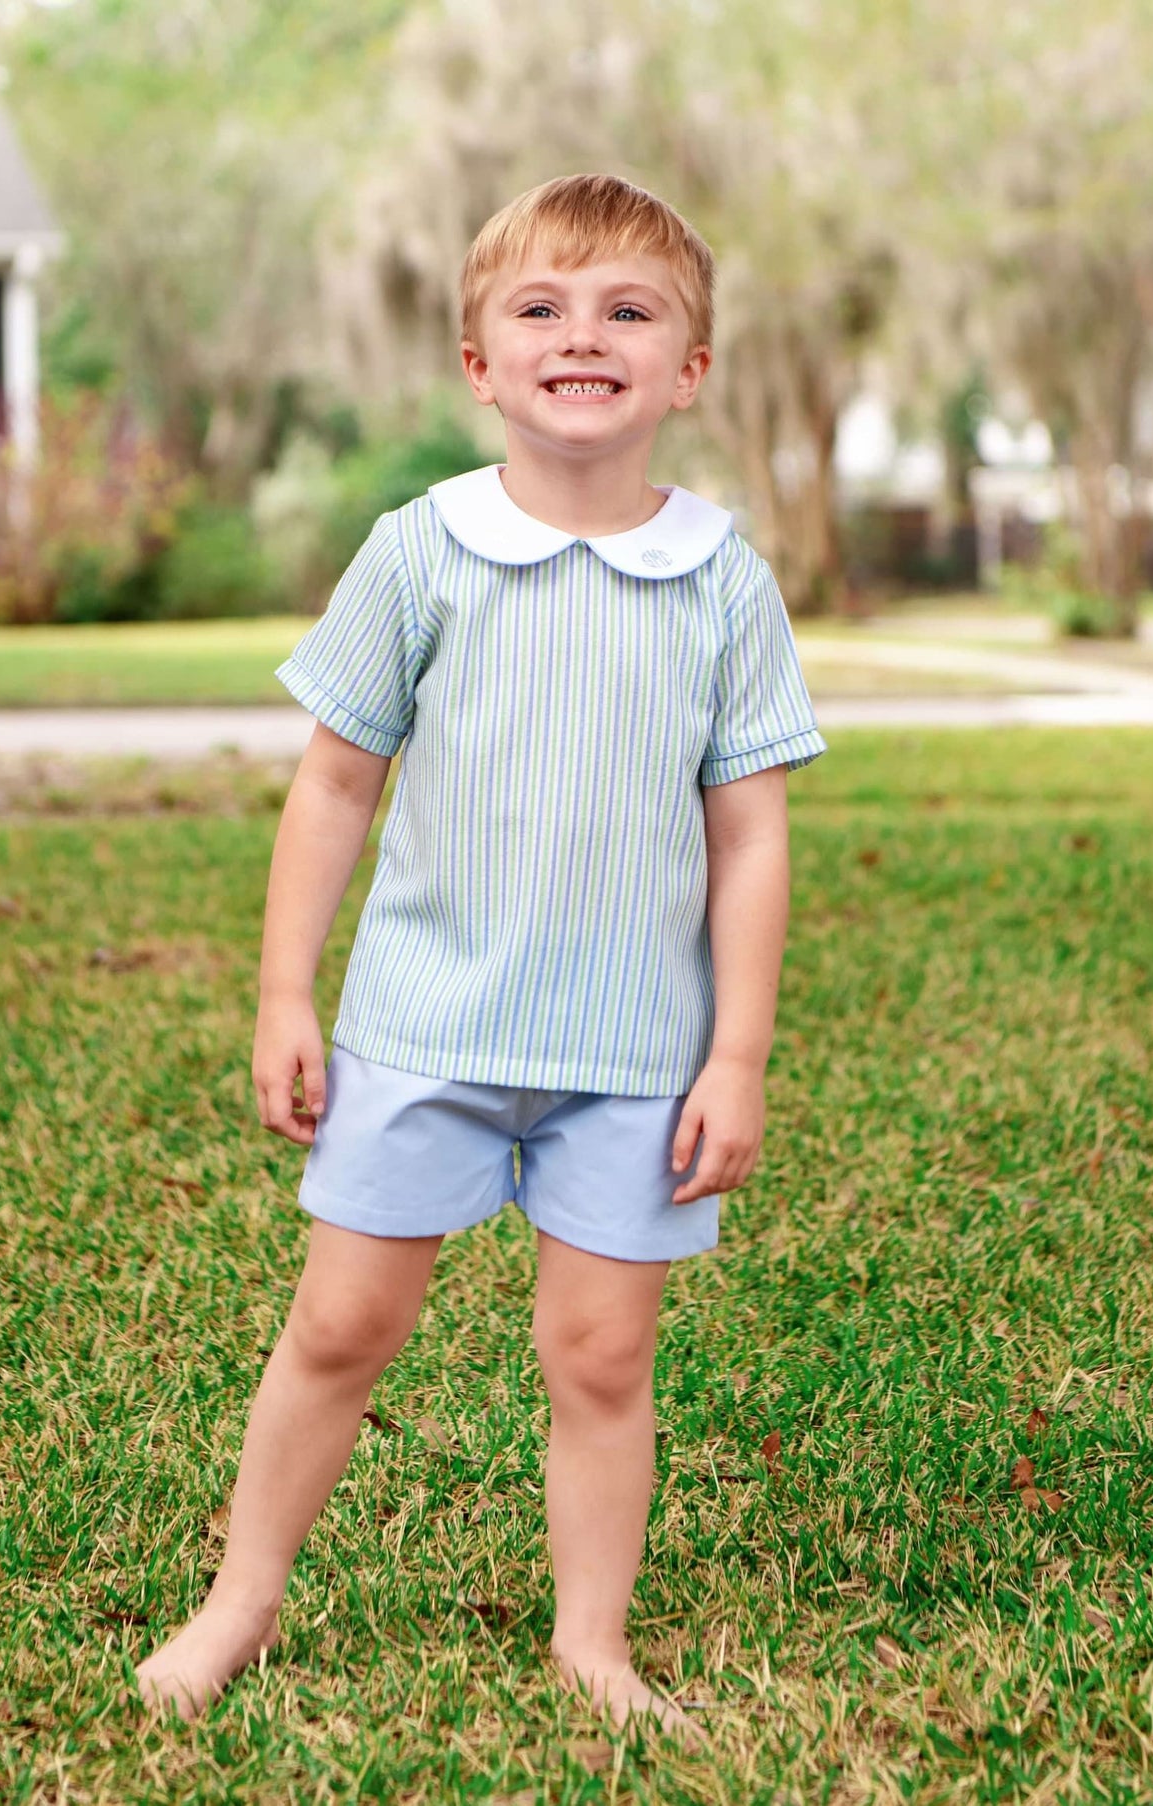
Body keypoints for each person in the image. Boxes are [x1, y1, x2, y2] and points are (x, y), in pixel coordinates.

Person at [134, 172, 826, 1740]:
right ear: (478, 362)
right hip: (421, 1029)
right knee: (340, 1325)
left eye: (628, 310)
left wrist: (735, 1054)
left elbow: (750, 837)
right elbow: (332, 781)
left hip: (634, 1053)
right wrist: (281, 992)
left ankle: (592, 1641)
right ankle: (242, 1593)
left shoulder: (722, 577)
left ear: (689, 367)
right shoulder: (421, 550)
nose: (583, 335)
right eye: (542, 307)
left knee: (600, 1351)